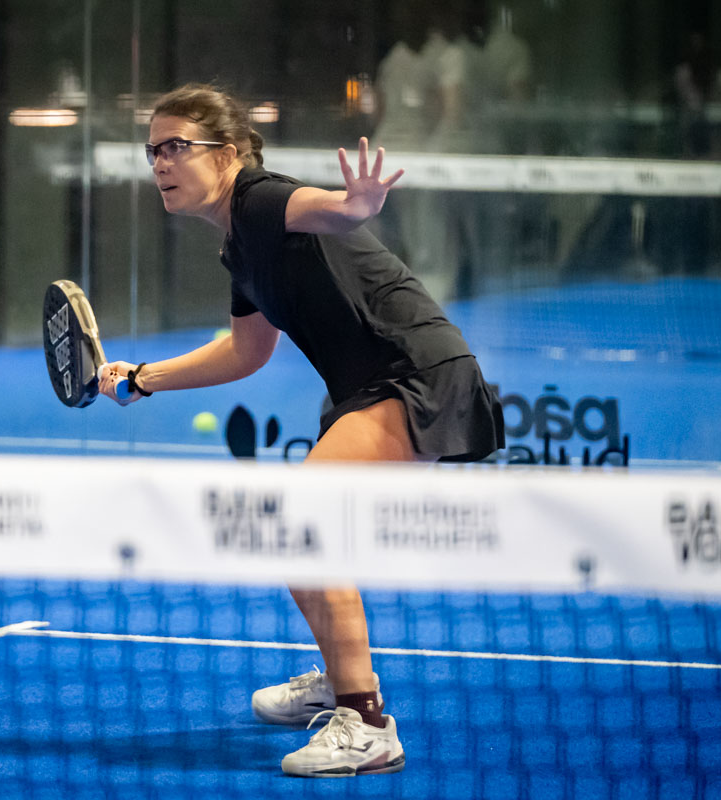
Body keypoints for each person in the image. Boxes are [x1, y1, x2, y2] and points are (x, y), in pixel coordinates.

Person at [98, 84, 504, 778]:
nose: (160, 162)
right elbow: (246, 352)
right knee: (294, 530)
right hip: (370, 386)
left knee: (303, 516)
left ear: (227, 154)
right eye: (153, 150)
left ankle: (366, 723)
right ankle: (340, 678)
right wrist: (143, 377)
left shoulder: (259, 199)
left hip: (415, 372)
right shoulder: (239, 246)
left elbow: (326, 208)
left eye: (176, 147)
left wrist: (355, 205)